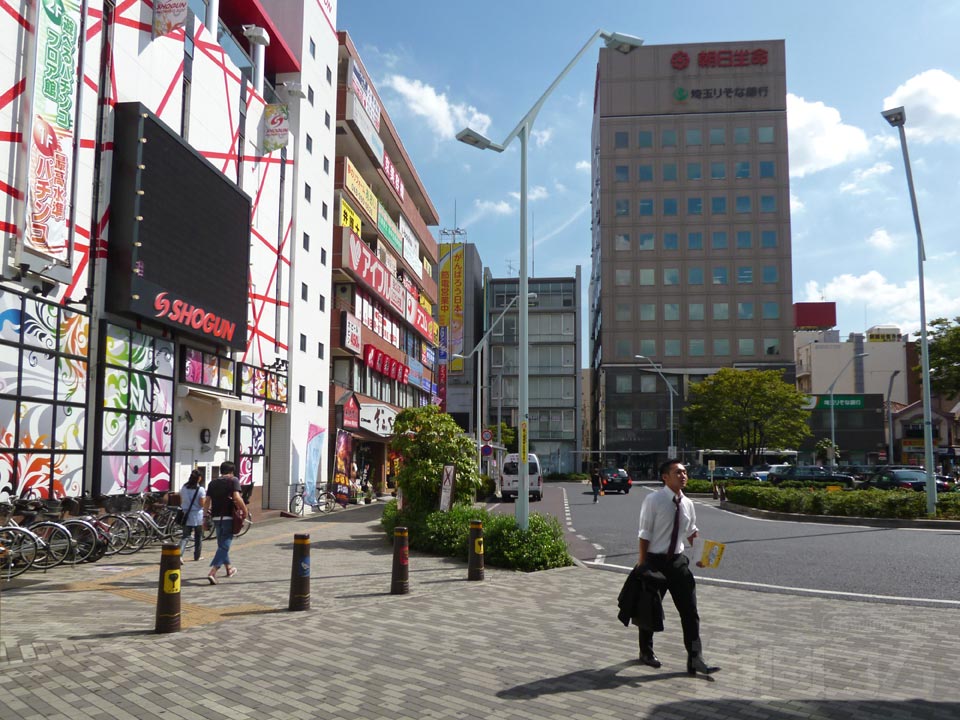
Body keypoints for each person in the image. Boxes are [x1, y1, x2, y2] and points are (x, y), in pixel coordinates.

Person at [636, 459, 719, 676]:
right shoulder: (653, 500)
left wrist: (700, 554)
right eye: (678, 472)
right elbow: (644, 533)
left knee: (690, 611)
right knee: (650, 609)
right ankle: (646, 651)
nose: (683, 476)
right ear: (665, 477)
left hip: (677, 562)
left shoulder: (688, 504)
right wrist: (643, 563)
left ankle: (695, 658)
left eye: (684, 472)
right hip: (655, 561)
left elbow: (692, 531)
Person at [204, 460, 244, 585]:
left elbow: (207, 501)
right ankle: (213, 571)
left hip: (215, 518)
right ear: (232, 471)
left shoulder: (212, 483)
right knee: (224, 546)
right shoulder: (233, 480)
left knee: (222, 545)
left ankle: (229, 569)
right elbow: (237, 497)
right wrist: (245, 510)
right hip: (228, 517)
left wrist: (205, 517)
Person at [178, 470, 206, 564]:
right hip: (197, 515)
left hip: (186, 514)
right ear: (198, 478)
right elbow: (202, 503)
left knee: (185, 536)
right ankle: (197, 556)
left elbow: (181, 499)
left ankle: (179, 555)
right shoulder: (200, 489)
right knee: (198, 536)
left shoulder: (184, 487)